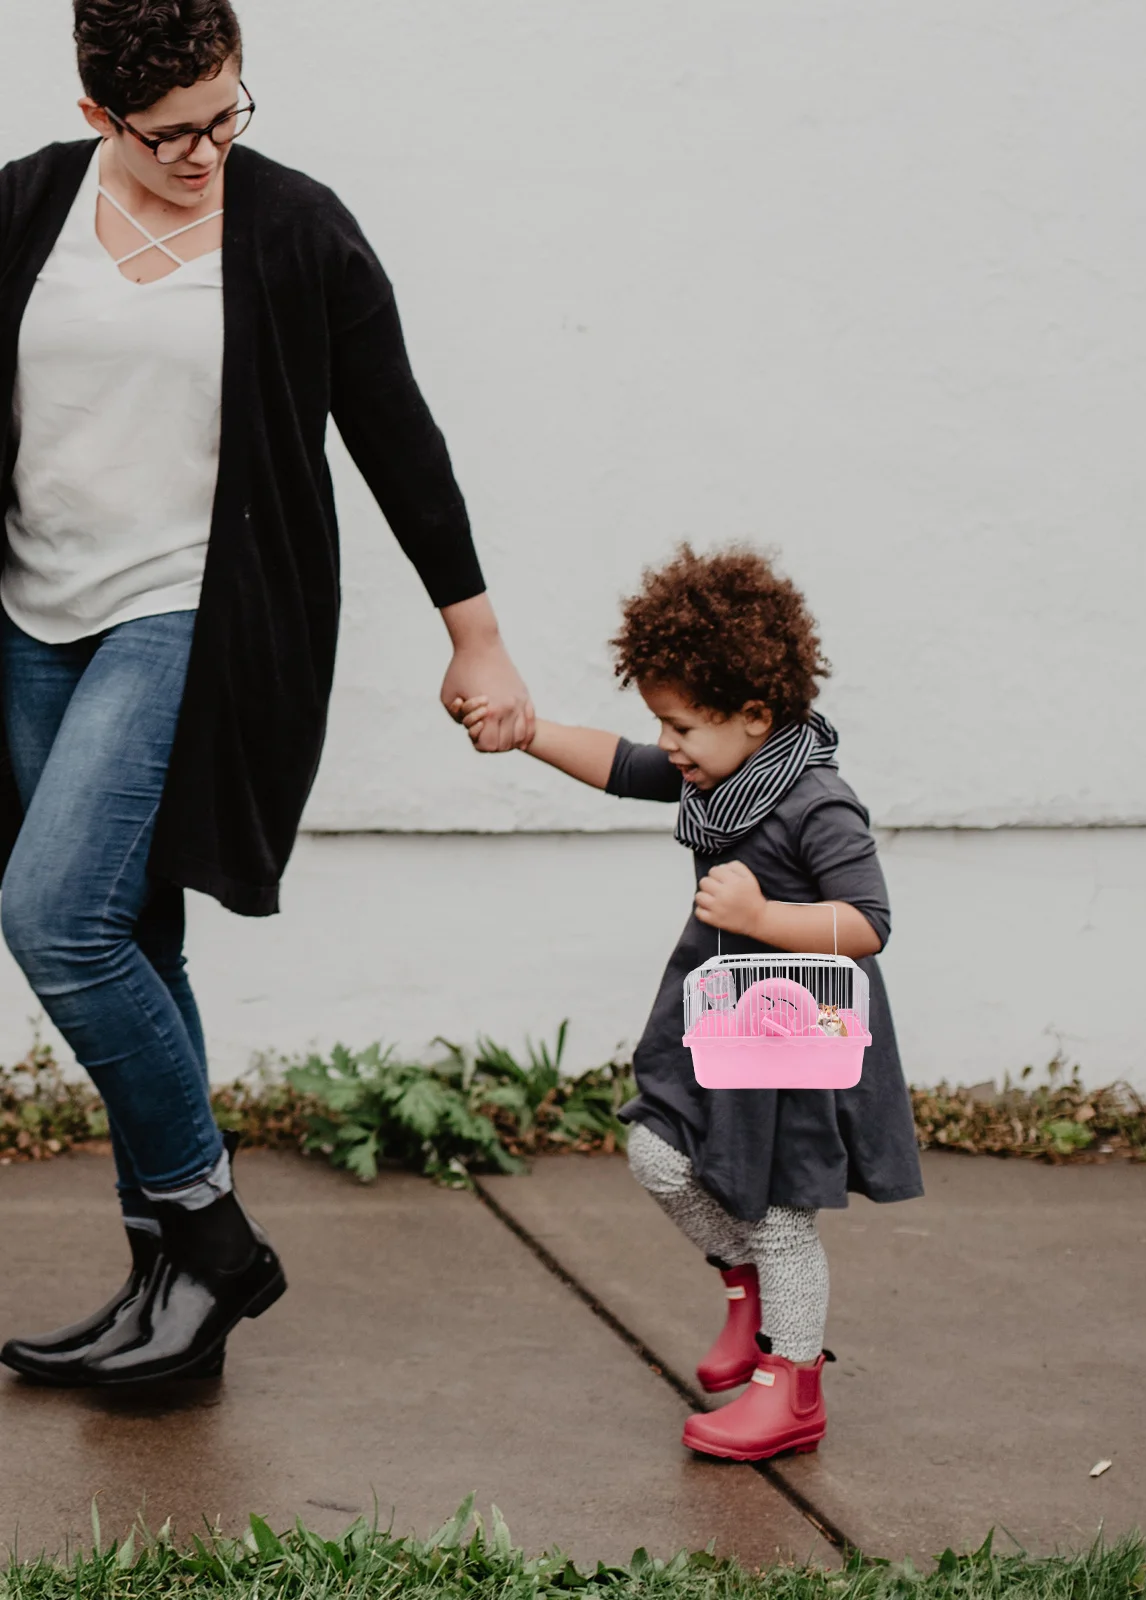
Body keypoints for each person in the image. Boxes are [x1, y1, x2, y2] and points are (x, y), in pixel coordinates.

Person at [0, 0, 533, 1388]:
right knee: (135, 937)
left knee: (54, 921)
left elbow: (397, 432)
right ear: (96, 119)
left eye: (229, 115)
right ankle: (165, 1302)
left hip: (191, 614)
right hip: (27, 616)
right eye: (171, 132)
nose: (206, 151)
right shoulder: (23, 211)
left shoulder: (295, 228)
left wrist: (474, 637)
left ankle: (211, 1233)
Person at [459, 546, 923, 1460]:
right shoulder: (719, 777)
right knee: (657, 1152)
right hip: (718, 1026)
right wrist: (526, 729)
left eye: (683, 726)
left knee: (778, 1212)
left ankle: (792, 1386)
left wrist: (763, 914)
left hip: (791, 1040)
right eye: (662, 723)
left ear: (756, 716)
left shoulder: (816, 802)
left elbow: (868, 924)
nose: (669, 744)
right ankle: (745, 1297)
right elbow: (622, 763)